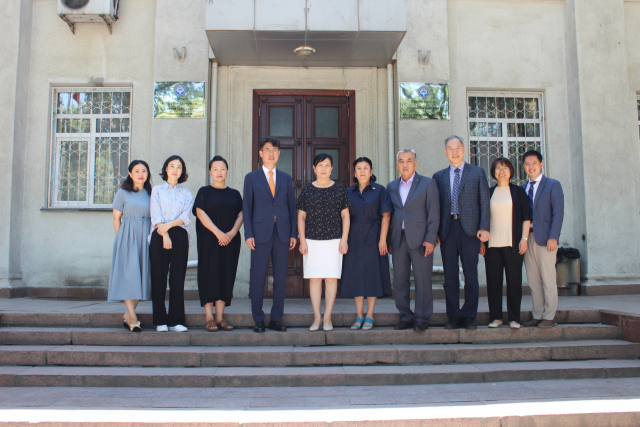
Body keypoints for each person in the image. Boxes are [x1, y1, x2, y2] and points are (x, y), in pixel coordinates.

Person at [433, 135, 490, 330]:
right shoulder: (438, 176)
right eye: (450, 148)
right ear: (445, 152)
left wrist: (484, 228)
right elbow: (436, 207)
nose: (454, 151)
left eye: (457, 147)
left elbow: (484, 202)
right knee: (449, 277)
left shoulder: (477, 172)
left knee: (470, 275)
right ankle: (454, 315)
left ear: (464, 149)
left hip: (471, 231)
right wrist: (436, 233)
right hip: (448, 229)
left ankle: (469, 315)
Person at [243, 136, 297, 333]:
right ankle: (258, 319)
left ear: (279, 153)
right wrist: (248, 234)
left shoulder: (285, 178)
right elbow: (247, 208)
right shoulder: (251, 178)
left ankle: (276, 319)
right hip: (259, 234)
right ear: (260, 153)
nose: (271, 153)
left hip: (282, 234)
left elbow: (292, 207)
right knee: (258, 277)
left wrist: (293, 233)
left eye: (274, 149)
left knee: (280, 278)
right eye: (267, 149)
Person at [387, 148, 440, 331]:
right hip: (398, 239)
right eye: (401, 161)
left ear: (415, 164)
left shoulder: (427, 183)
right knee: (400, 280)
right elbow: (390, 214)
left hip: (421, 240)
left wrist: (431, 238)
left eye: (409, 160)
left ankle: (422, 317)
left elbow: (434, 213)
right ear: (397, 165)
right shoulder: (391, 186)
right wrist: (388, 240)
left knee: (422, 280)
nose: (405, 164)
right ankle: (405, 315)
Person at [298, 153, 351, 331]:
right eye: (320, 165)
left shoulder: (339, 189)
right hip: (312, 241)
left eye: (327, 165)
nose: (323, 169)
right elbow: (301, 217)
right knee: (314, 279)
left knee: (330, 279)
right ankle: (316, 318)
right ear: (314, 168)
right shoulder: (307, 189)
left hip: (334, 241)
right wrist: (302, 241)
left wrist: (344, 239)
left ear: (332, 169)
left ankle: (327, 317)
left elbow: (345, 216)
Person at [341, 157, 392, 330]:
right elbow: (344, 216)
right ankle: (359, 316)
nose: (362, 171)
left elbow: (386, 215)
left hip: (374, 235)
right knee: (355, 274)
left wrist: (383, 239)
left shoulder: (380, 190)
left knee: (372, 274)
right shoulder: (348, 191)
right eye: (359, 168)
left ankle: (369, 315)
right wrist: (344, 239)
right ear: (354, 172)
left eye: (366, 168)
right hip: (353, 236)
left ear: (371, 172)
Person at [479, 157, 531, 329]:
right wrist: (481, 242)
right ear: (494, 172)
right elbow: (483, 218)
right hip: (492, 245)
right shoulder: (488, 192)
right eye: (498, 168)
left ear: (511, 171)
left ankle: (514, 318)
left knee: (514, 282)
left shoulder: (518, 192)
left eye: (505, 168)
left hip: (513, 244)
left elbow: (526, 217)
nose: (502, 172)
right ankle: (496, 318)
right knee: (493, 283)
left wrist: (524, 239)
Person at [193, 156, 243, 332]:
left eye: (222, 169)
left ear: (227, 171)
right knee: (208, 276)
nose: (219, 172)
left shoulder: (235, 194)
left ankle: (220, 318)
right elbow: (200, 213)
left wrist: (232, 232)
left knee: (225, 276)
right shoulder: (204, 192)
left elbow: (241, 214)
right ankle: (209, 318)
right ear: (210, 172)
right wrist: (219, 233)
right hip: (209, 241)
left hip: (230, 242)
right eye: (215, 169)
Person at [149, 155, 193, 333]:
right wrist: (164, 232)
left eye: (179, 167)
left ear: (182, 171)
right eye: (171, 166)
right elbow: (155, 213)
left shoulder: (187, 193)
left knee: (177, 278)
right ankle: (160, 320)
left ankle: (176, 320)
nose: (175, 169)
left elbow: (185, 217)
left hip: (180, 235)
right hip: (159, 234)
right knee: (158, 277)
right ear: (165, 169)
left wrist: (168, 227)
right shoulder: (157, 190)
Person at [521, 150, 564, 328]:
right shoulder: (523, 188)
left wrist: (554, 237)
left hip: (546, 239)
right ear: (524, 167)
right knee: (533, 280)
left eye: (534, 163)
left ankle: (550, 316)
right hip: (527, 238)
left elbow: (558, 213)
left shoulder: (553, 185)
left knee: (548, 279)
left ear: (541, 164)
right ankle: (538, 314)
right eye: (527, 164)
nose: (530, 167)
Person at [108, 160, 153, 332]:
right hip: (128, 236)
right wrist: (120, 239)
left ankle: (129, 313)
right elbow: (115, 218)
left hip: (146, 236)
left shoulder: (151, 193)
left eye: (144, 171)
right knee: (130, 275)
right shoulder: (122, 193)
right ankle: (132, 317)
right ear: (130, 173)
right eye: (137, 171)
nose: (141, 174)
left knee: (142, 276)